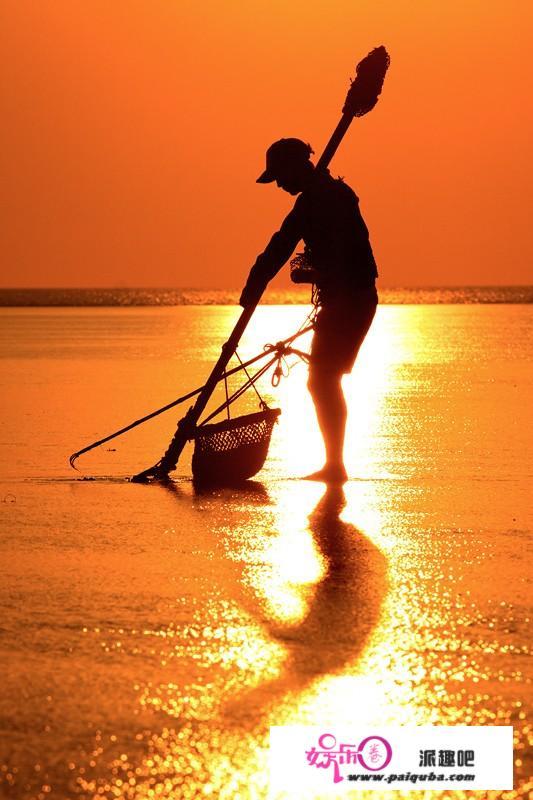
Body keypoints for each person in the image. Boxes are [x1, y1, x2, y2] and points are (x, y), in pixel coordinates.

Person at [239, 138, 378, 483]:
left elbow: (356, 260)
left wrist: (314, 274)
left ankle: (335, 466)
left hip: (354, 299)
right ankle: (334, 464)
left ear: (295, 168)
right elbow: (281, 243)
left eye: (280, 177)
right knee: (322, 381)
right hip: (338, 300)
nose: (280, 185)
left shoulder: (334, 198)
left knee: (323, 380)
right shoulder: (309, 202)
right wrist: (255, 283)